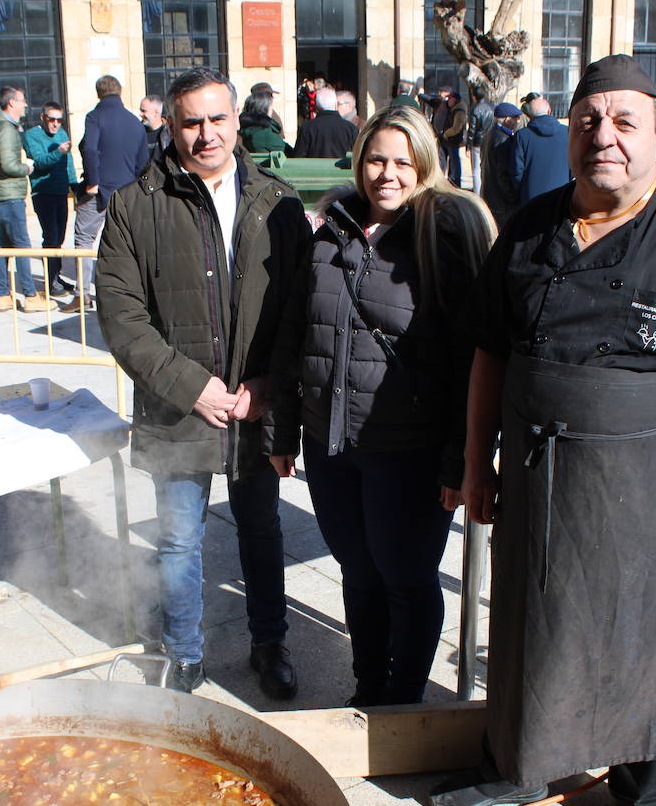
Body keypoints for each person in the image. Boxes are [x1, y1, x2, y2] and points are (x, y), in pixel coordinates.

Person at [428, 55, 656, 806]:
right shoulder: (529, 224)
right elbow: (489, 352)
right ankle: (518, 765)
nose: (603, 137)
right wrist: (477, 462)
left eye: (625, 121)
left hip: (652, 486)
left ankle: (643, 795)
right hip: (542, 479)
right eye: (589, 119)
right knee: (531, 625)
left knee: (648, 635)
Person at [263, 105, 495, 706]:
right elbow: (297, 333)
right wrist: (284, 432)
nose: (386, 174)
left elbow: (468, 360)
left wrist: (457, 461)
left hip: (407, 451)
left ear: (424, 166)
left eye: (402, 161)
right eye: (375, 159)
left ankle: (403, 700)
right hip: (332, 445)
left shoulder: (444, 235)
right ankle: (369, 688)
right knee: (358, 575)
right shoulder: (329, 231)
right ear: (358, 159)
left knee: (407, 580)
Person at [94, 67, 311, 697]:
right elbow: (122, 314)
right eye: (191, 121)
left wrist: (269, 382)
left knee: (262, 530)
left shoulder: (278, 201)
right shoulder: (136, 206)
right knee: (178, 538)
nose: (205, 133)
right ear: (170, 125)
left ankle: (269, 644)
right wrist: (191, 386)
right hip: (178, 406)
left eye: (217, 119)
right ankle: (183, 654)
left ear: (237, 121)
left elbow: (299, 304)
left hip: (253, 403)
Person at [65, 75, 150, 300]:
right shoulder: (134, 122)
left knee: (84, 239)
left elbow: (90, 149)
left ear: (98, 93)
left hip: (99, 191)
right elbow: (143, 163)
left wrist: (93, 182)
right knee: (129, 242)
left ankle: (82, 294)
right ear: (120, 92)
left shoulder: (95, 117)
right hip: (128, 191)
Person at [0, 86, 49, 313]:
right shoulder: (6, 130)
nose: (25, 105)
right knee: (21, 245)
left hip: (3, 195)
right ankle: (30, 295)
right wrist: (27, 168)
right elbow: (8, 165)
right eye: (22, 101)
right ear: (11, 103)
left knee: (5, 245)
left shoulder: (1, 128)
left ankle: (4, 295)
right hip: (9, 195)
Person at [24, 101, 80, 306]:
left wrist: (74, 187)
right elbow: (39, 162)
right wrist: (59, 151)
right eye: (52, 119)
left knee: (59, 237)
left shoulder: (62, 134)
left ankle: (56, 276)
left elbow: (69, 164)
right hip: (43, 192)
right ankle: (50, 281)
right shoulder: (32, 136)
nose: (56, 124)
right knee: (50, 236)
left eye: (59, 120)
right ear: (43, 118)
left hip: (60, 192)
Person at [510, 95, 571, 208]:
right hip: (561, 196)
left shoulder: (522, 136)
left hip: (530, 199)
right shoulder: (567, 132)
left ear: (530, 115)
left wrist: (522, 191)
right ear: (549, 111)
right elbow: (573, 165)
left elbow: (516, 171)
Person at [480, 101, 523, 227]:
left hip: (490, 194)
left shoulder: (489, 134)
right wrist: (512, 197)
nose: (518, 121)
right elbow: (502, 173)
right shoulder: (503, 140)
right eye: (516, 118)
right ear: (507, 119)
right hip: (500, 201)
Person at [291, 87, 358, 158]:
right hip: (342, 168)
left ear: (316, 107)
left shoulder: (307, 128)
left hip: (313, 169)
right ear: (335, 105)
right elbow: (357, 157)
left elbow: (299, 157)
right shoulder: (351, 129)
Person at [467, 90, 495, 196]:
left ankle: (477, 193)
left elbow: (472, 129)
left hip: (477, 142)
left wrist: (468, 146)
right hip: (489, 139)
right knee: (487, 167)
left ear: (474, 96)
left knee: (476, 169)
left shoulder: (475, 109)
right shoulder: (492, 107)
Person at [438, 89, 468, 186]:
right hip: (448, 140)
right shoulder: (453, 108)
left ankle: (456, 182)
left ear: (454, 99)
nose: (448, 101)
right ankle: (451, 180)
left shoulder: (459, 110)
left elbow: (457, 127)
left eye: (450, 98)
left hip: (453, 139)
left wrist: (446, 134)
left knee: (455, 161)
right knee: (449, 161)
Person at [139, 95, 172, 162]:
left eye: (143, 111)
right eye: (140, 110)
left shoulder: (170, 133)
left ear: (156, 113)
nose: (140, 114)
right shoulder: (137, 132)